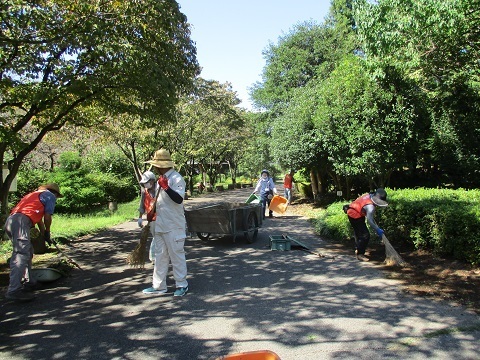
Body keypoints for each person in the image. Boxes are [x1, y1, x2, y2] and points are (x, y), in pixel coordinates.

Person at [142, 149, 189, 297]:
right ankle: (158, 286)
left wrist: (167, 187)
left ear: (161, 165)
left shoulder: (176, 178)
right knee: (159, 256)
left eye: (156, 165)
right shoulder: (160, 178)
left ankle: (182, 285)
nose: (154, 168)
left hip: (174, 225)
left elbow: (179, 199)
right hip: (161, 225)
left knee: (176, 256)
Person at [4, 183, 62, 301]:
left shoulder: (34, 195)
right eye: (57, 196)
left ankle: (30, 282)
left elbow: (39, 220)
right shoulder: (49, 196)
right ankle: (13, 290)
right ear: (54, 193)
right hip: (21, 221)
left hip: (11, 222)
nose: (56, 199)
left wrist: (44, 234)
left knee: (28, 251)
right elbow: (47, 217)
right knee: (21, 254)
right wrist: (48, 231)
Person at [346, 188, 388, 262]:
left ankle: (357, 248)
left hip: (353, 210)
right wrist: (377, 229)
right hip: (354, 215)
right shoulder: (370, 207)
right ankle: (360, 254)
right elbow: (370, 221)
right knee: (365, 235)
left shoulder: (369, 195)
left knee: (359, 232)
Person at [137, 170, 158, 263]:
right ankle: (154, 257)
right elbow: (142, 205)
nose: (145, 184)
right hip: (151, 218)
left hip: (162, 217)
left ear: (152, 181)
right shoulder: (144, 192)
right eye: (144, 183)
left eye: (147, 182)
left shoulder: (159, 189)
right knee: (156, 236)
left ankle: (156, 256)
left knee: (159, 237)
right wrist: (140, 217)